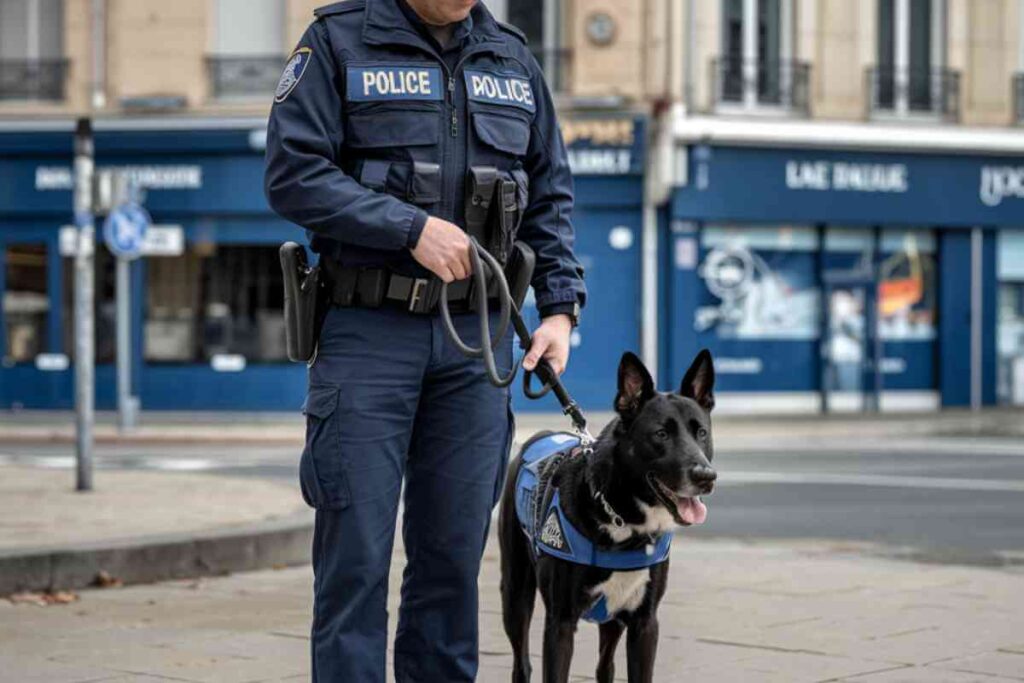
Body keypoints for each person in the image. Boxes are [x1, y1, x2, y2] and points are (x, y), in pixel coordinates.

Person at [264, 0, 586, 680]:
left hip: (474, 344)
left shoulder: (512, 58)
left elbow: (550, 193)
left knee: (451, 560)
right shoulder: (337, 41)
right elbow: (293, 172)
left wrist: (560, 310)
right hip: (367, 333)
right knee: (354, 559)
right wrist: (407, 227)